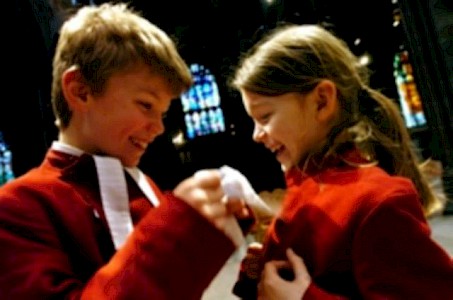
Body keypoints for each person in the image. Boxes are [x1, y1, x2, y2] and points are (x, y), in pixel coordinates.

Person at [0, 3, 253, 299]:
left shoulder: (146, 188)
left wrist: (243, 268)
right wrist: (174, 231)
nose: (158, 128)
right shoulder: (18, 207)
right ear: (81, 91)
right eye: (146, 105)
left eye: (162, 113)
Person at [229, 24, 453, 299]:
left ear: (322, 101)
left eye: (265, 117)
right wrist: (257, 272)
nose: (256, 135)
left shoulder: (377, 201)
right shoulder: (304, 186)